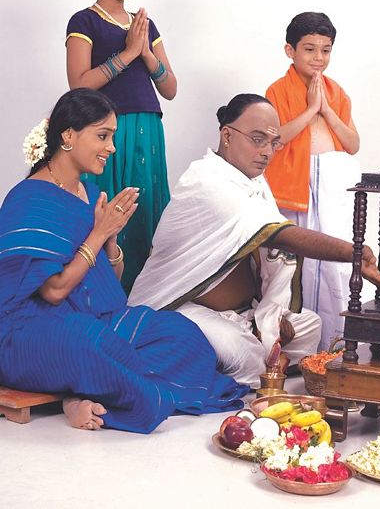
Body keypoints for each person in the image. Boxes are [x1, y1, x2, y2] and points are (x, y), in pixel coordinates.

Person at [0, 89, 247, 434]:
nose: (111, 147)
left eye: (112, 137)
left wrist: (111, 241)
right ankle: (80, 398)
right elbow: (54, 291)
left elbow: (107, 283)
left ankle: (82, 390)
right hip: (32, 330)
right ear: (68, 135)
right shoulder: (29, 198)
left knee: (183, 335)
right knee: (91, 344)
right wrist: (99, 232)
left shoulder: (86, 190)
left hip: (94, 318)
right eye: (103, 136)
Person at [129, 94, 380, 389]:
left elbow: (268, 257)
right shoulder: (206, 182)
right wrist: (353, 252)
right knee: (246, 356)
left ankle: (262, 355)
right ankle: (251, 364)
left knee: (309, 325)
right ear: (227, 135)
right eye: (257, 139)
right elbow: (282, 235)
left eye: (273, 142)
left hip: (242, 312)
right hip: (179, 308)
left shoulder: (253, 181)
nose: (267, 152)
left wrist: (269, 315)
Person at [66, 0, 177, 293]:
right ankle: (105, 292)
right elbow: (79, 85)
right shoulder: (84, 22)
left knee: (146, 209)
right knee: (107, 205)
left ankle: (148, 295)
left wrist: (144, 53)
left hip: (148, 126)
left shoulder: (145, 24)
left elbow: (170, 88)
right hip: (106, 129)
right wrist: (128, 54)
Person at [265, 12, 361, 349]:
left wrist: (325, 109)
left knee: (333, 265)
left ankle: (336, 343)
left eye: (325, 50)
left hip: (331, 185)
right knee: (292, 267)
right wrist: (308, 110)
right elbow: (274, 139)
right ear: (290, 51)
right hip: (295, 188)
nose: (318, 58)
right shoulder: (278, 91)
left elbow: (352, 144)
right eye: (309, 49)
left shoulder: (336, 93)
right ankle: (299, 346)